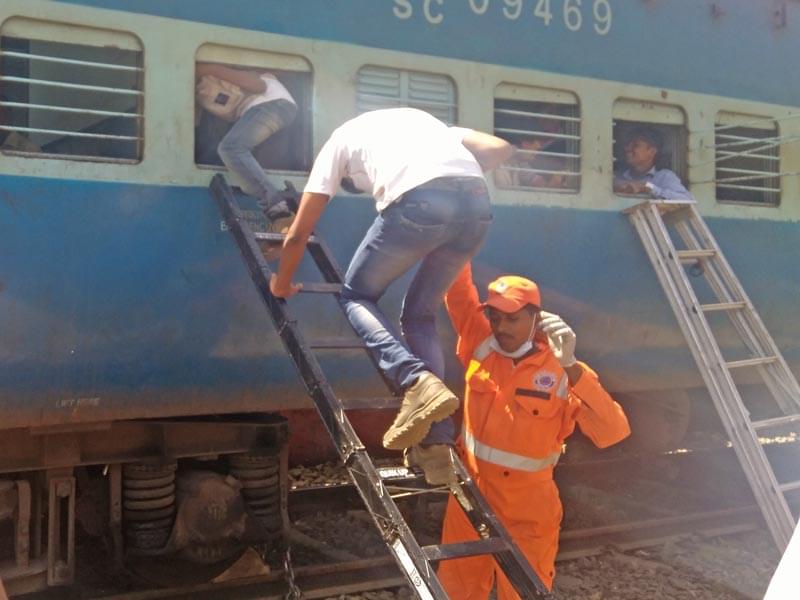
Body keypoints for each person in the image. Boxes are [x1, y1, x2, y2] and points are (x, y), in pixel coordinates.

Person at [269, 108, 514, 480]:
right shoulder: (427, 124)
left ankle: (415, 380)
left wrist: (282, 282)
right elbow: (500, 148)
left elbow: (298, 233)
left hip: (420, 203)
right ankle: (436, 445)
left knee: (356, 296)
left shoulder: (338, 142)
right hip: (477, 208)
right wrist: (455, 183)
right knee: (420, 316)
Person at [437, 262, 631, 596]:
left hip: (527, 507)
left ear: (536, 319)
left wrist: (571, 366)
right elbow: (457, 291)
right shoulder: (480, 342)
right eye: (495, 317)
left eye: (512, 319)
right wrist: (457, 240)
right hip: (470, 495)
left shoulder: (562, 371)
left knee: (524, 591)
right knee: (457, 589)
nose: (501, 327)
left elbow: (612, 431)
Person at [195, 63, 297, 223]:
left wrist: (208, 69)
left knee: (231, 148)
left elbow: (258, 85)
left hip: (272, 104)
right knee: (231, 147)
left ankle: (274, 204)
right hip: (275, 108)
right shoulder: (201, 91)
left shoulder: (253, 77)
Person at [613, 126, 693, 200]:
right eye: (627, 144)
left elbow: (687, 199)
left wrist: (648, 187)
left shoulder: (664, 177)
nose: (627, 149)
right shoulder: (615, 176)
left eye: (635, 145)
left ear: (652, 151)